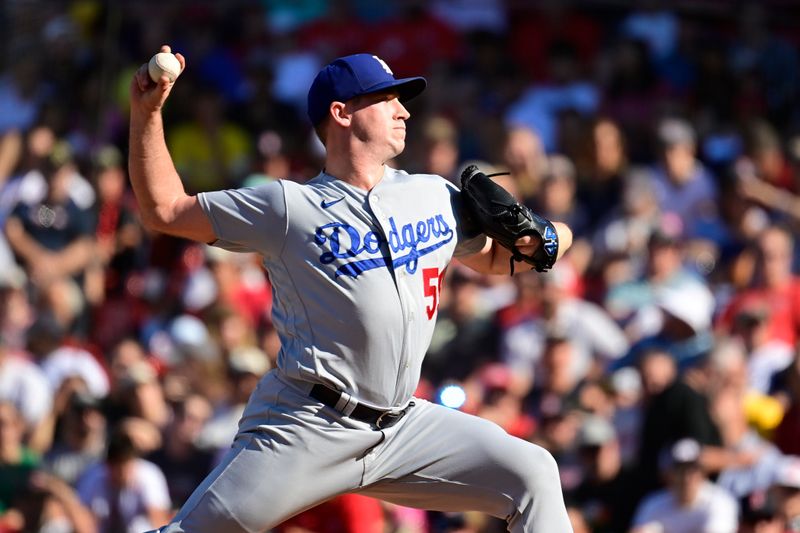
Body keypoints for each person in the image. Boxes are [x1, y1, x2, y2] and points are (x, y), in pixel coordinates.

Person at [130, 46, 574, 532]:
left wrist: (546, 237)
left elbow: (503, 258)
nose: (404, 109)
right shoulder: (288, 206)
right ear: (341, 113)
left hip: (404, 427)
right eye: (387, 98)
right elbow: (166, 210)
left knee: (534, 472)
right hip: (308, 424)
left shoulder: (433, 195)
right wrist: (148, 112)